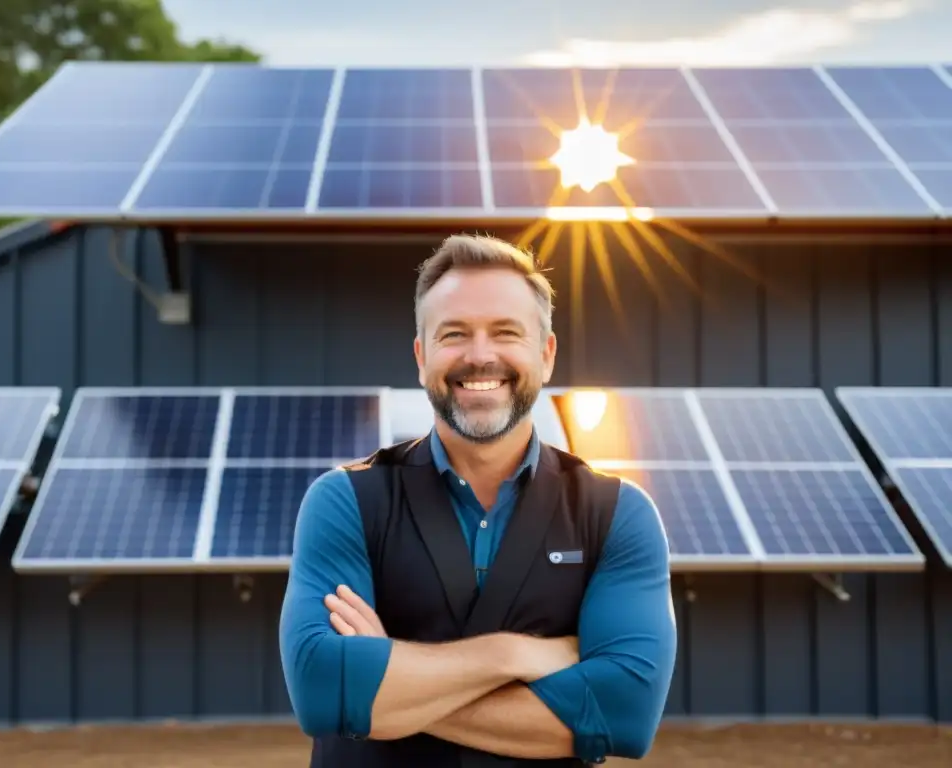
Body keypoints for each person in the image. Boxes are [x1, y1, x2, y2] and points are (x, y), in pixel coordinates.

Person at [279, 234, 677, 766]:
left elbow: (622, 715)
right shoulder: (346, 500)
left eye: (506, 332)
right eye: (454, 334)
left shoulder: (614, 514)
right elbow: (323, 692)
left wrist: (382, 688)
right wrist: (514, 654)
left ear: (547, 353)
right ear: (422, 357)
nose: (480, 355)